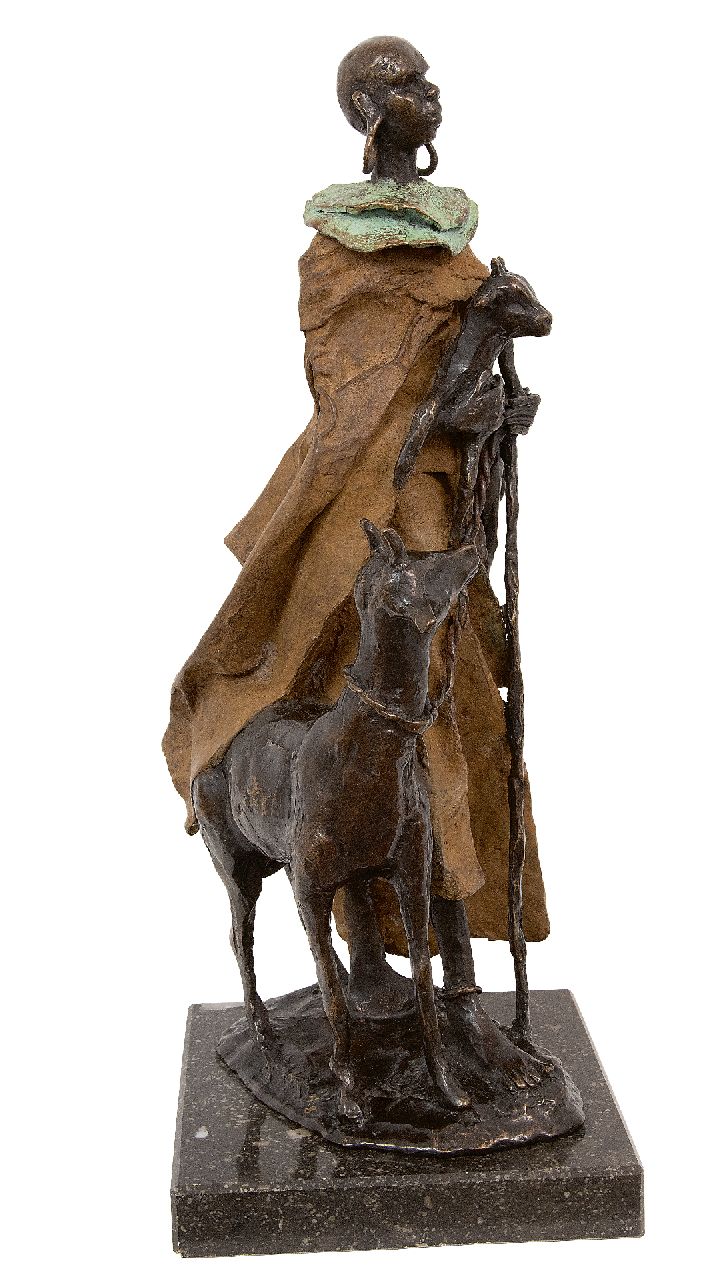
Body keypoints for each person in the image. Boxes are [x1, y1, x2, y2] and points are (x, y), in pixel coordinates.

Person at [163, 37, 549, 1042]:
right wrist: (459, 380)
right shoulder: (337, 250)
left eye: (426, 75)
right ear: (371, 111)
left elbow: (452, 393)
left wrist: (491, 418)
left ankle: (453, 974)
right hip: (361, 520)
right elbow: (354, 404)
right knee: (368, 718)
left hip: (438, 511)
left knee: (450, 717)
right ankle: (370, 958)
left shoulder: (456, 236)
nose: (429, 91)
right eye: (404, 81)